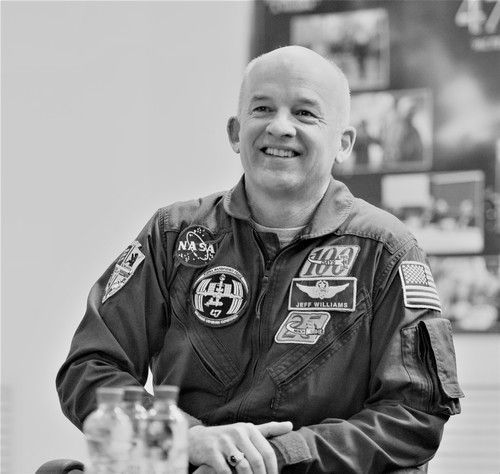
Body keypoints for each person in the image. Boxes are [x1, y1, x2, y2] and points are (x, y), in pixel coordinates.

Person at [57, 46, 463, 473]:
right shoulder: (173, 235)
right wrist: (182, 440)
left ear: (343, 143)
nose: (280, 127)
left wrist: (278, 456)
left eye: (305, 113)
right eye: (262, 108)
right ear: (236, 133)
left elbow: (414, 415)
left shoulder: (386, 250)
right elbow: (89, 368)